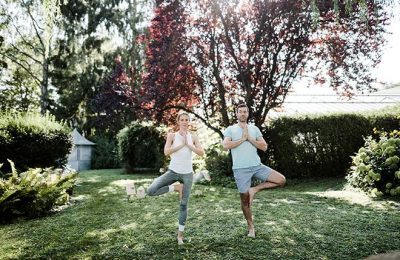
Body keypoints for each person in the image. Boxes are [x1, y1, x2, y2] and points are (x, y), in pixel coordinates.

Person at [223, 103, 286, 238]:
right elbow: (226, 145)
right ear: (236, 114)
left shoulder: (254, 129)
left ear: (248, 113)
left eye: (245, 111)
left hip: (257, 166)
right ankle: (251, 227)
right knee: (245, 201)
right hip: (240, 169)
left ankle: (254, 189)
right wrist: (242, 139)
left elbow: (264, 147)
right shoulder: (231, 129)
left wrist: (250, 138)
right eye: (240, 112)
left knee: (281, 180)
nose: (243, 114)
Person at [147, 112, 204, 245]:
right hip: (173, 171)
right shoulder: (172, 135)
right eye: (182, 120)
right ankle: (176, 187)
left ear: (189, 122)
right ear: (178, 122)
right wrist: (181, 144)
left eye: (186, 120)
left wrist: (189, 145)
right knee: (151, 190)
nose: (184, 122)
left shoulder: (193, 136)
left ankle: (180, 236)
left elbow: (201, 153)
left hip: (187, 174)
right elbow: (166, 152)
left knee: (184, 205)